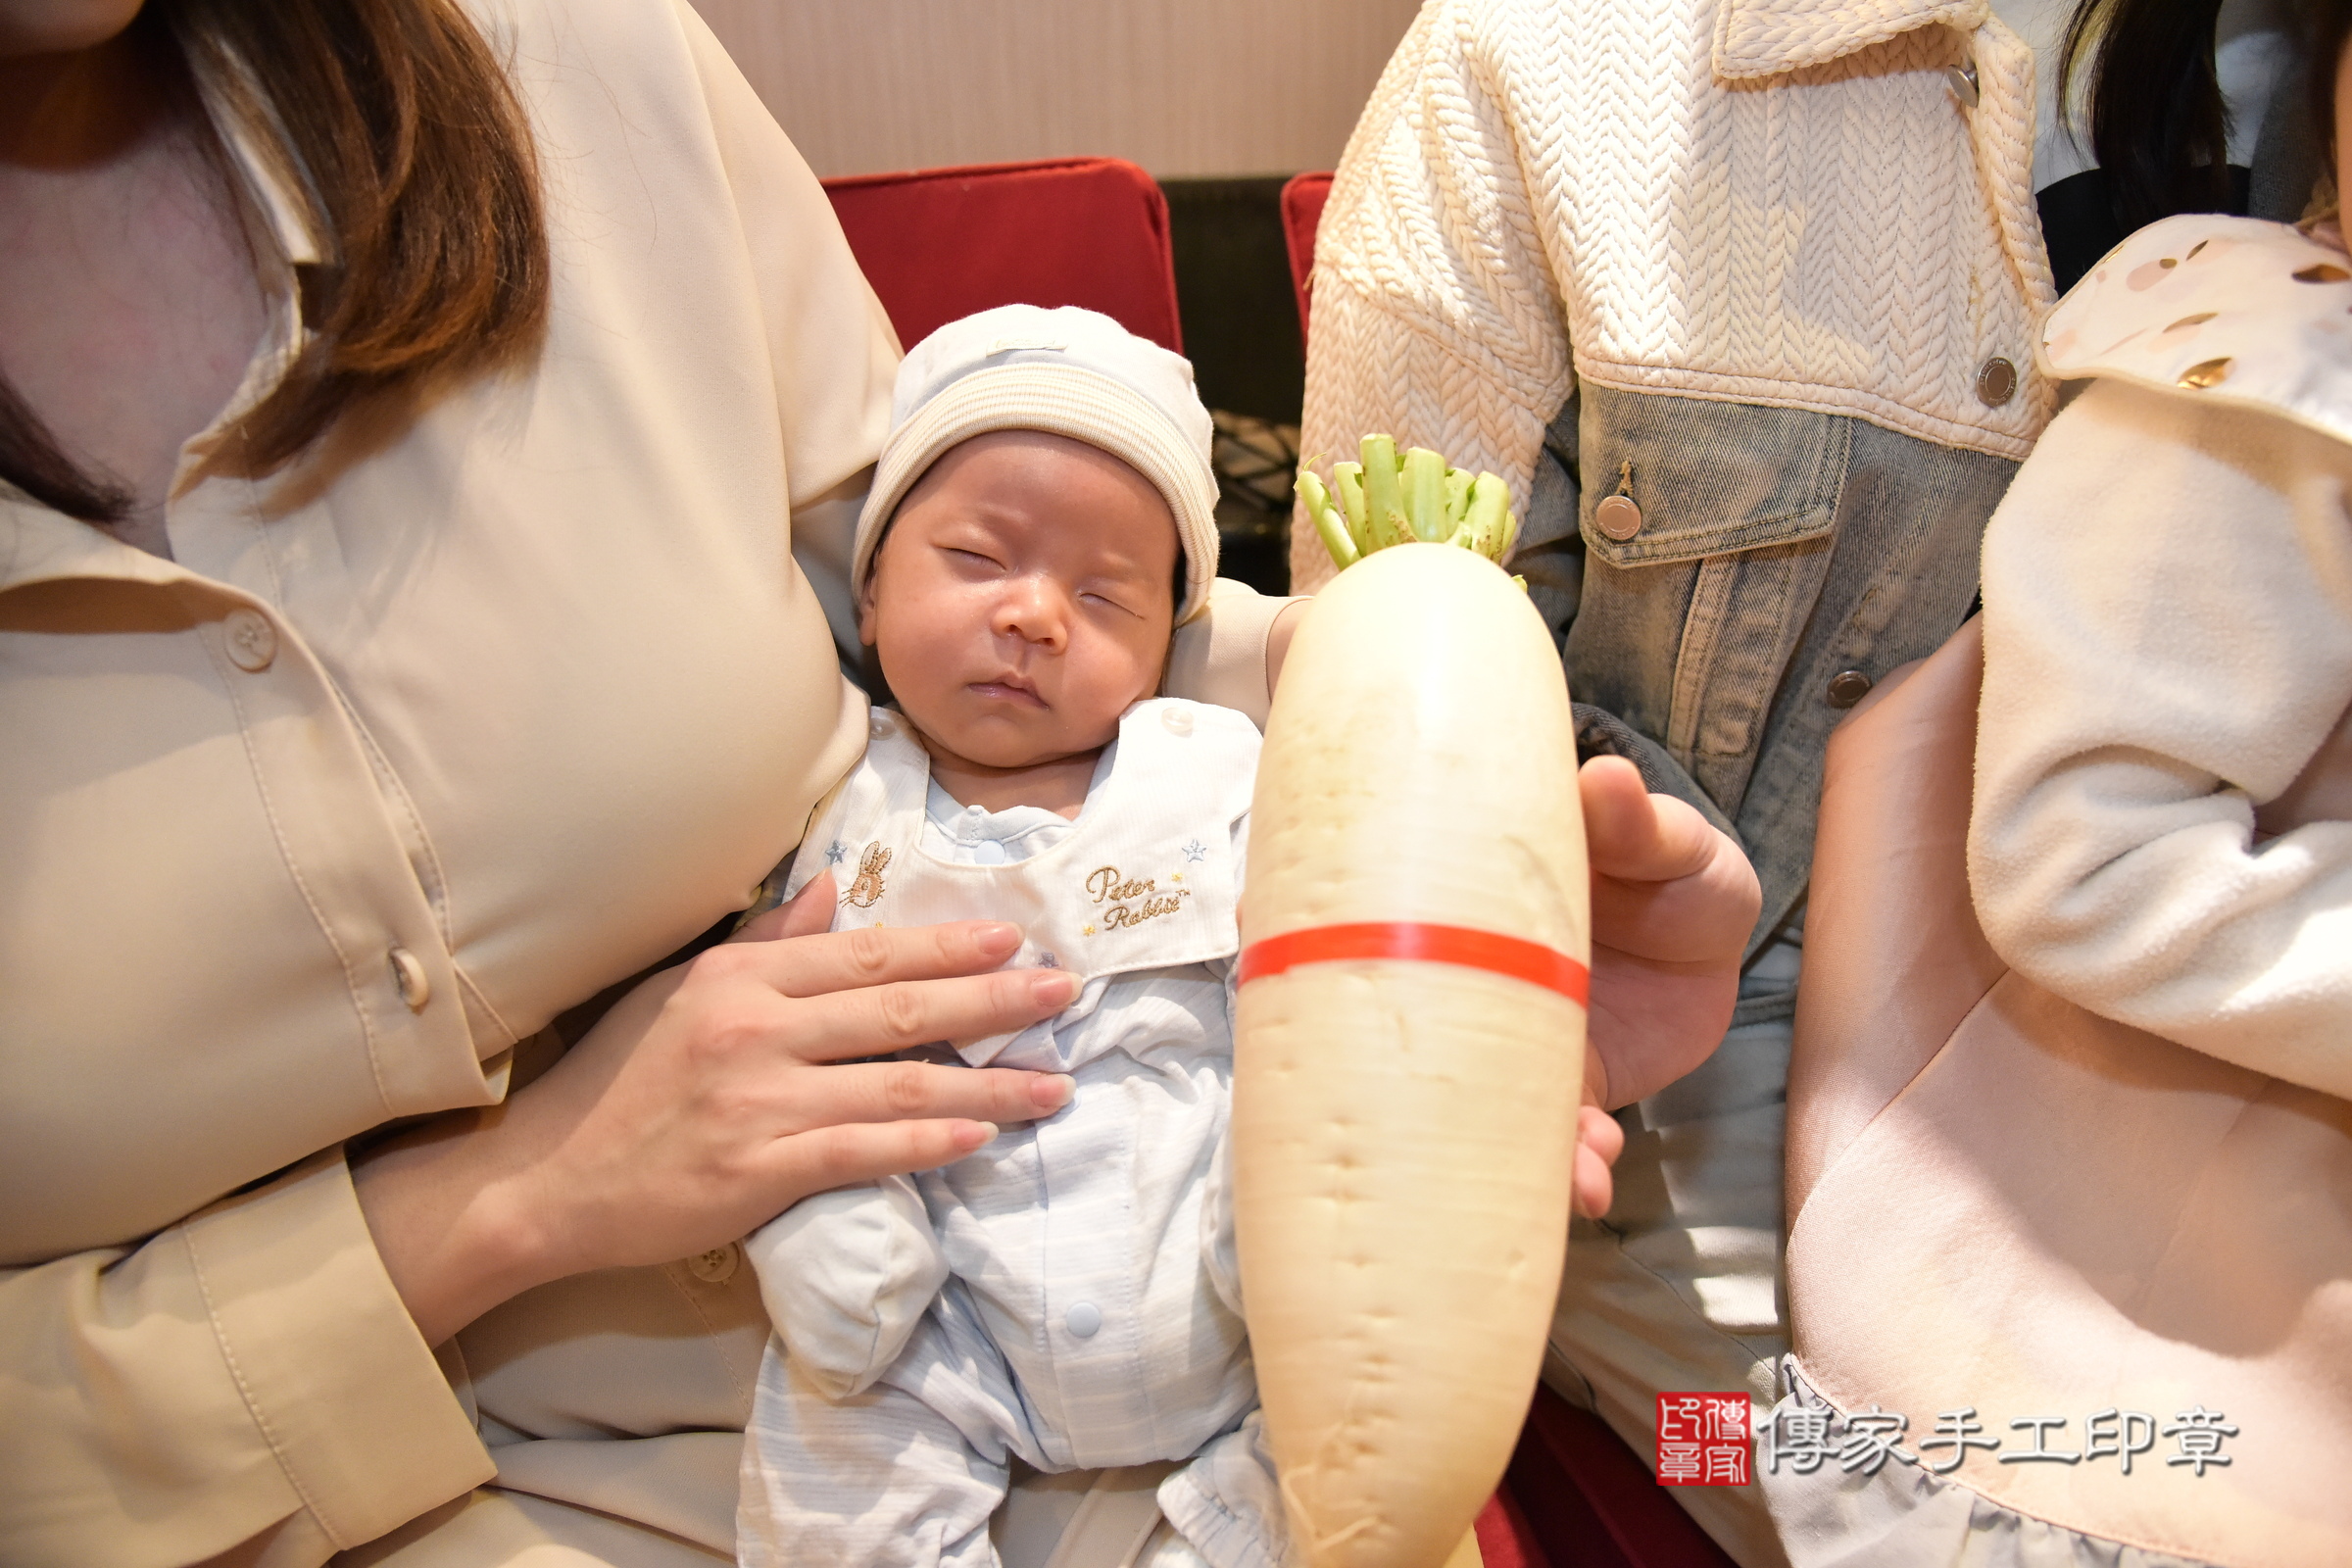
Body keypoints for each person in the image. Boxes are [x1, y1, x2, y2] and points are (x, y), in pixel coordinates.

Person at [0, 3, 1756, 1563]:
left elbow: (925, 569)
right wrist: (507, 1201)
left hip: (1216, 1398)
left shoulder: (581, 65)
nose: (1028, 617)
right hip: (721, 1451)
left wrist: (1445, 830)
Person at [1295, 1, 2322, 1563]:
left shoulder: (2304, 72)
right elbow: (1384, 701)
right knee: (1956, 1519)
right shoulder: (1548, 59)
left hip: (2237, 1082)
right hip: (1706, 1086)